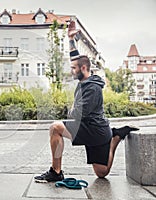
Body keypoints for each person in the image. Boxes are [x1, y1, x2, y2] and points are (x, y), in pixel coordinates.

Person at [34, 20, 139, 183]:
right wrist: (70, 40)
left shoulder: (92, 89)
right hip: (94, 129)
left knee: (55, 127)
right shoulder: (86, 80)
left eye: (73, 69)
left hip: (95, 130)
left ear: (83, 69)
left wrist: (69, 111)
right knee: (101, 173)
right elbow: (76, 59)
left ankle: (56, 172)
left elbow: (78, 115)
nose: (71, 71)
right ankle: (115, 137)